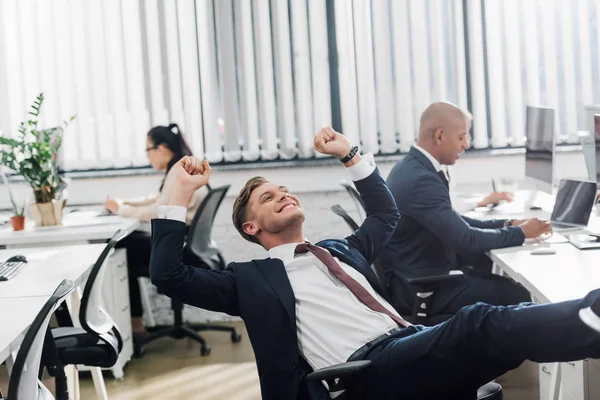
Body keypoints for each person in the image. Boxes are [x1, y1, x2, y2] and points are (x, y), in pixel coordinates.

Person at [149, 127, 600, 399]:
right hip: (367, 374)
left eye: (285, 190)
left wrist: (350, 154)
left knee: (509, 333)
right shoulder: (248, 281)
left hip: (409, 344)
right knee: (479, 322)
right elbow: (169, 274)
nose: (284, 194)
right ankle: (593, 313)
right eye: (269, 198)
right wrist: (177, 196)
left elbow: (387, 214)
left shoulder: (339, 251)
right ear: (252, 229)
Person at [379, 102, 551, 317]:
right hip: (424, 289)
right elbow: (467, 239)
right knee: (518, 294)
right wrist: (523, 233)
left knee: (501, 279)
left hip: (418, 276)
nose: (466, 144)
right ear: (440, 136)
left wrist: (508, 224)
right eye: (461, 137)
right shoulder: (421, 180)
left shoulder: (411, 167)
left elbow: (456, 221)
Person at [105, 123, 208, 337]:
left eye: (147, 150)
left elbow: (160, 210)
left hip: (178, 245)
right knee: (129, 242)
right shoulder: (180, 167)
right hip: (185, 241)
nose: (148, 157)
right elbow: (159, 199)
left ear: (161, 148)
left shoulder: (177, 171)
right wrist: (126, 203)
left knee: (121, 247)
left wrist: (122, 209)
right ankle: (135, 321)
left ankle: (135, 324)